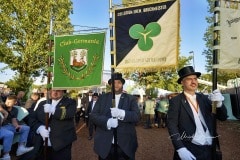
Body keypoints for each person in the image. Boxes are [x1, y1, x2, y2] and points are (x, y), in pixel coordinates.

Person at [167, 66, 228, 160]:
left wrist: (219, 104)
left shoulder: (205, 98)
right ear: (182, 82)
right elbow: (172, 125)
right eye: (189, 79)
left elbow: (223, 117)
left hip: (210, 150)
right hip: (190, 149)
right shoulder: (176, 101)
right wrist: (180, 148)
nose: (193, 81)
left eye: (195, 78)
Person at [90, 72, 140, 160]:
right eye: (114, 82)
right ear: (110, 85)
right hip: (105, 144)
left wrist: (122, 113)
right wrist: (107, 122)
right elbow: (94, 116)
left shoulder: (130, 99)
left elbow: (136, 116)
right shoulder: (102, 98)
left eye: (119, 82)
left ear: (122, 84)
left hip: (125, 145)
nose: (116, 85)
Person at [26, 89, 77, 160]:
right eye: (53, 90)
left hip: (61, 143)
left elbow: (69, 114)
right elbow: (32, 118)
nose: (55, 92)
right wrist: (39, 128)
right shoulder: (42, 103)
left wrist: (54, 110)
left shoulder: (70, 102)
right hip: (42, 143)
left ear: (63, 92)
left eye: (58, 90)